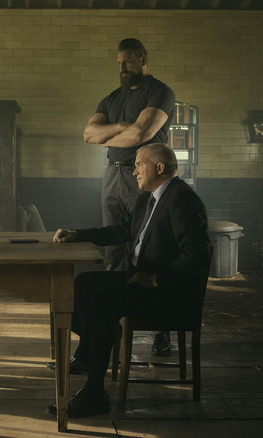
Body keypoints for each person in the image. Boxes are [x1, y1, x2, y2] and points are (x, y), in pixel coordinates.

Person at [47, 144, 210, 418]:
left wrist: (157, 278)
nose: (133, 171)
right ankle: (91, 352)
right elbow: (122, 230)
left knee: (103, 304)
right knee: (83, 284)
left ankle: (94, 393)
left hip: (166, 294)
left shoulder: (182, 199)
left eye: (139, 165)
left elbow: (198, 255)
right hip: (139, 282)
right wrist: (78, 234)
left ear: (159, 168)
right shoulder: (147, 198)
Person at [83, 38, 177, 355]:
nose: (122, 67)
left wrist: (111, 132)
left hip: (145, 177)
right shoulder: (113, 98)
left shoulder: (160, 92)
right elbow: (88, 135)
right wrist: (123, 124)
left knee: (150, 250)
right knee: (114, 254)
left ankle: (161, 328)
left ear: (143, 59)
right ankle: (113, 332)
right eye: (119, 62)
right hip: (113, 174)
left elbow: (142, 134)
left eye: (128, 61)